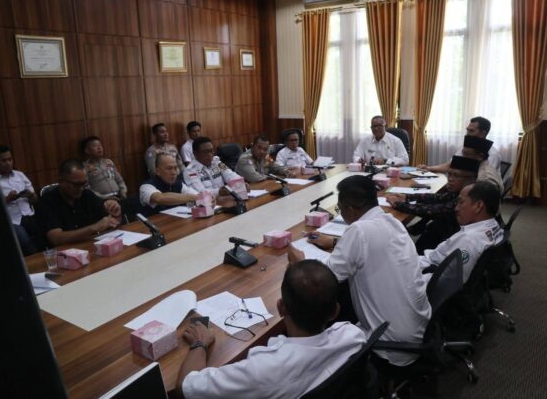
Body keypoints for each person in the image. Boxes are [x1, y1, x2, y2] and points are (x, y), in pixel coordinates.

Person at [288, 176, 430, 367]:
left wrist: (300, 262)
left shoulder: (359, 230)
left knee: (324, 305)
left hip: (391, 343)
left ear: (349, 209)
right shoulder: (392, 222)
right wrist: (335, 242)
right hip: (417, 328)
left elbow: (326, 277)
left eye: (339, 209)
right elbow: (369, 248)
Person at [176, 259, 367, 399]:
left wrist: (199, 343)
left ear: (281, 308)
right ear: (335, 311)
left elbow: (185, 388)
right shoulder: (353, 336)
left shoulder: (262, 370)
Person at [386, 156, 480, 254]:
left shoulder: (468, 199)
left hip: (446, 244)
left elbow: (431, 210)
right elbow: (437, 197)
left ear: (471, 179)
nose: (450, 179)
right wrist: (407, 197)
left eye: (456, 175)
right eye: (449, 174)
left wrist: (397, 204)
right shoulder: (458, 190)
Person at [419, 181, 504, 284]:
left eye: (461, 202)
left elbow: (446, 283)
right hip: (431, 264)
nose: (456, 208)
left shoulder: (469, 241)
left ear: (478, 206)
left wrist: (412, 280)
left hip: (426, 273)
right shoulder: (494, 225)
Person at [35, 159, 122, 246]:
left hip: (89, 246)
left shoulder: (87, 195)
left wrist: (116, 213)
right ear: (61, 181)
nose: (81, 189)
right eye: (76, 185)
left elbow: (113, 223)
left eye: (84, 184)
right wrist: (93, 228)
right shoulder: (47, 202)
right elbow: (56, 238)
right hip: (62, 252)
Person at [0, 145, 39, 256]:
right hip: (12, 221)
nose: (8, 163)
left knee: (45, 234)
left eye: (10, 159)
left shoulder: (20, 175)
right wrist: (8, 199)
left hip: (29, 215)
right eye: (4, 160)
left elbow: (36, 200)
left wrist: (31, 195)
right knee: (25, 242)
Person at [418, 116, 501, 172]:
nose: (467, 134)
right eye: (467, 130)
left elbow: (486, 182)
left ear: (483, 133)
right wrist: (428, 168)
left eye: (471, 131)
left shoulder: (492, 154)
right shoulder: (466, 148)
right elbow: (451, 165)